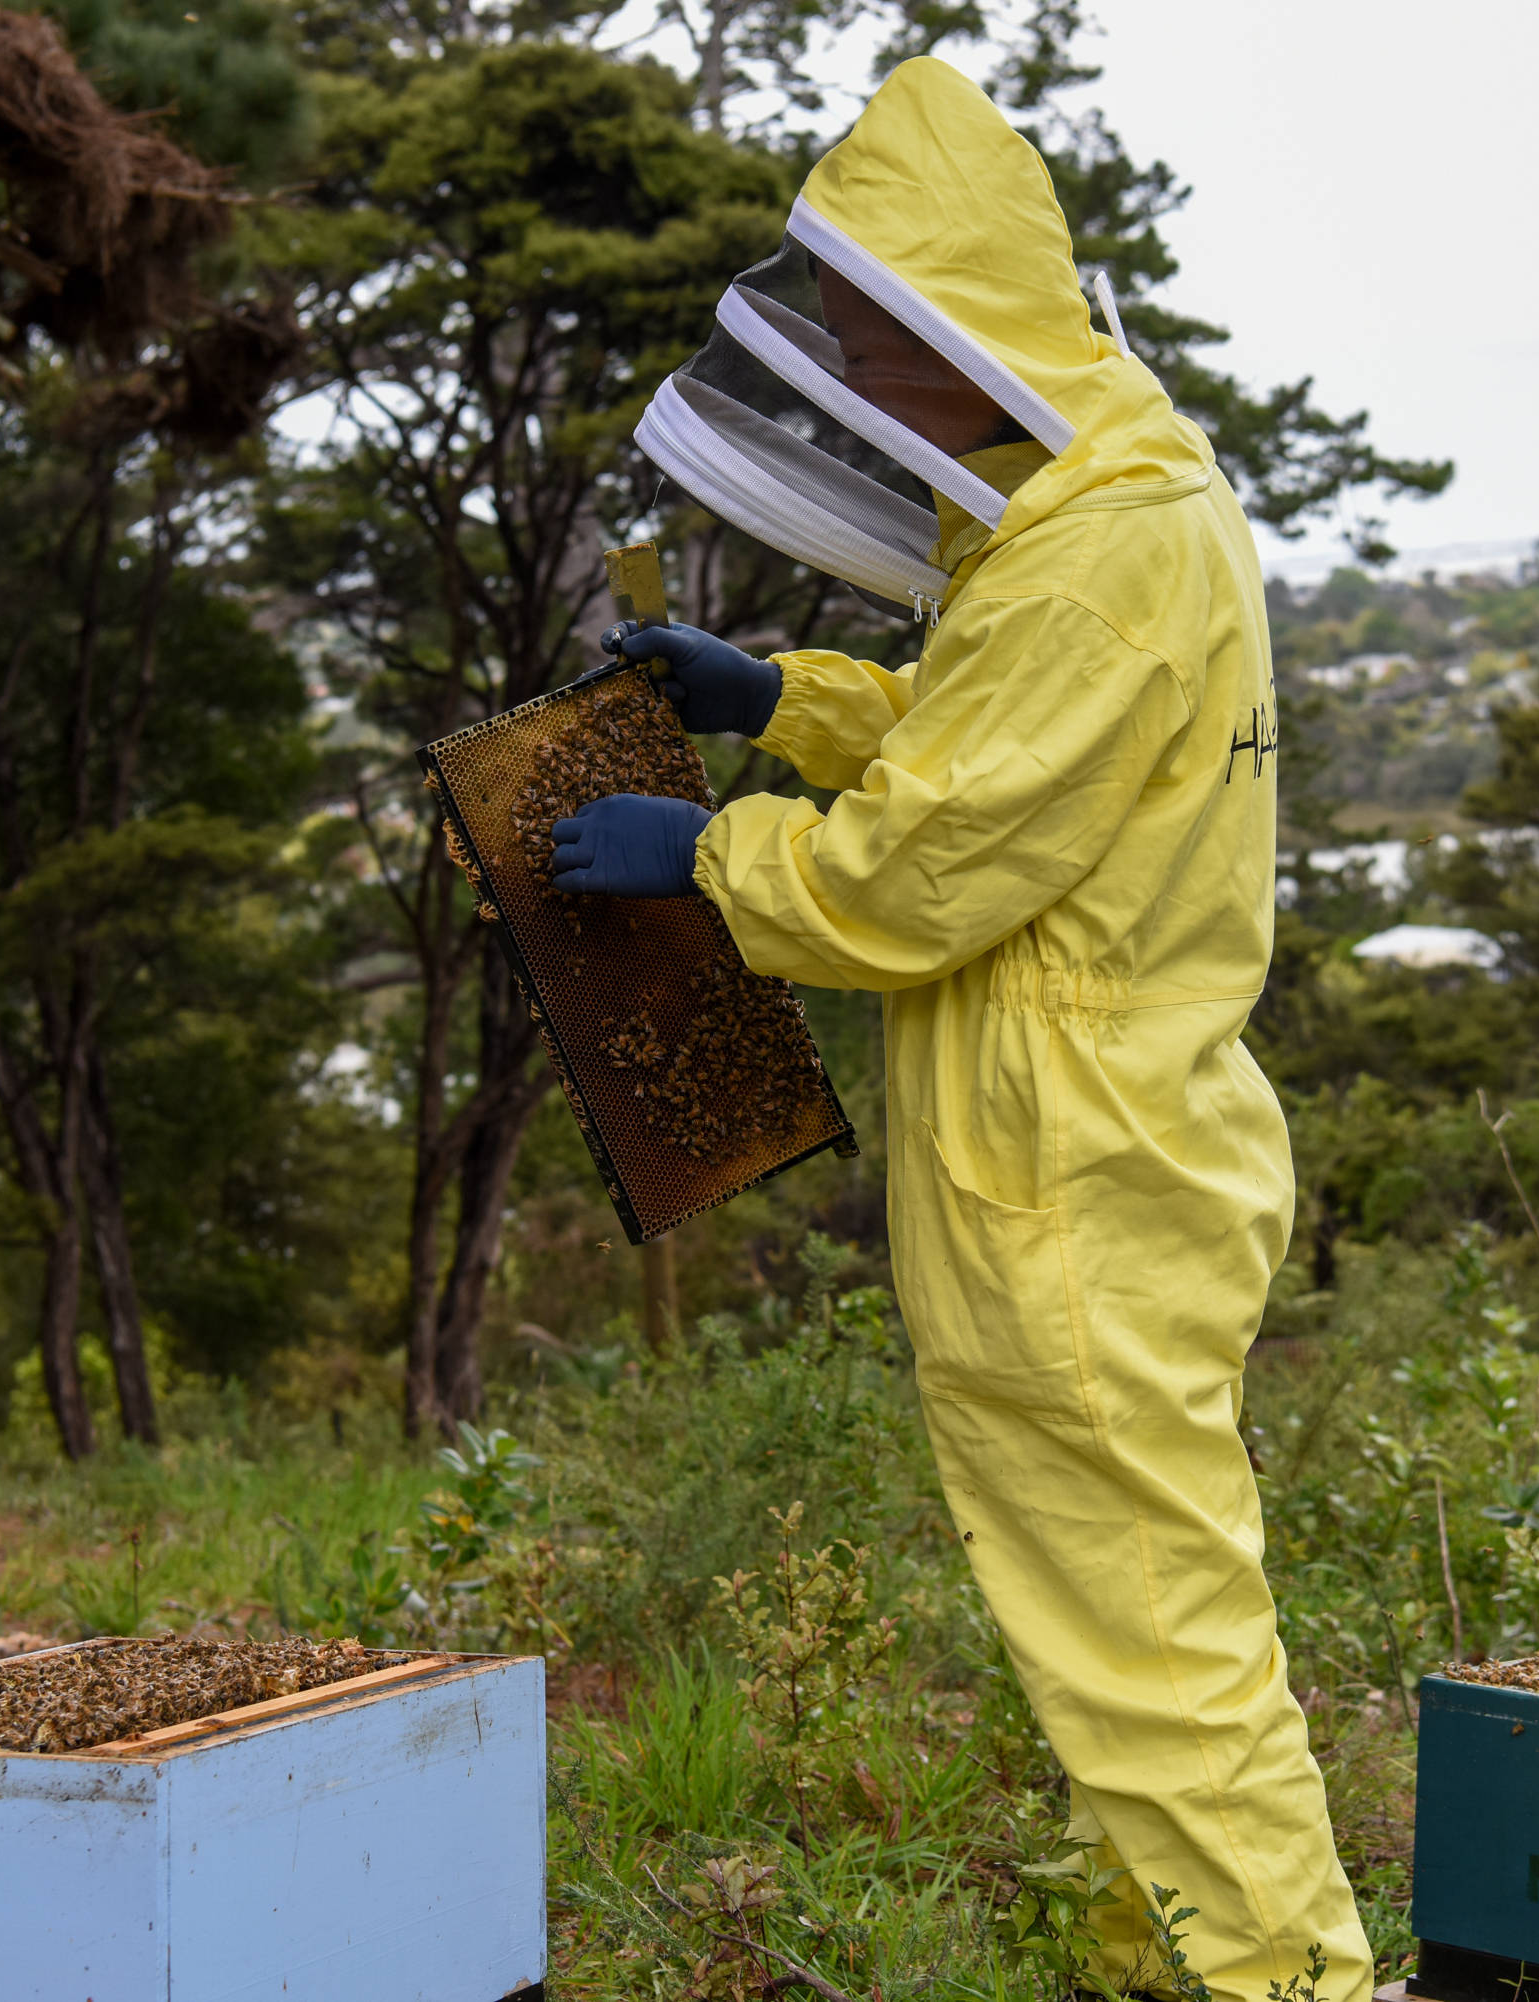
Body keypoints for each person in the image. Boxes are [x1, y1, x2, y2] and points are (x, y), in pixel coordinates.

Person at [547, 56, 1371, 2001]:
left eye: (864, 335)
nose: (853, 374)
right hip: (1116, 1145)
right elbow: (1012, 761)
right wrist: (791, 700)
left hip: (1073, 1179)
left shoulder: (1095, 556)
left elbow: (918, 879)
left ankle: (1285, 1982)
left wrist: (717, 853)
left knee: (1155, 1639)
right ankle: (1152, 1954)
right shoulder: (1105, 491)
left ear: (949, 326)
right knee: (1121, 1617)